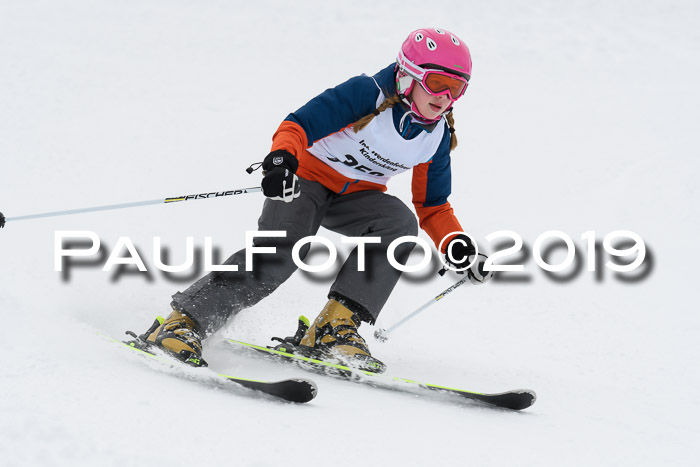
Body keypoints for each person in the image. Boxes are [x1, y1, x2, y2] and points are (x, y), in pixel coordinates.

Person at [132, 27, 493, 372]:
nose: (445, 97)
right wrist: (280, 162)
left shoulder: (436, 137)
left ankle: (333, 328)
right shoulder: (365, 93)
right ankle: (184, 323)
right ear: (408, 76)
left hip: (357, 198)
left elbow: (433, 205)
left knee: (398, 223)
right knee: (281, 253)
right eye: (437, 83)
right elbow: (297, 125)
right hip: (303, 181)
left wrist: (456, 247)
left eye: (457, 89)